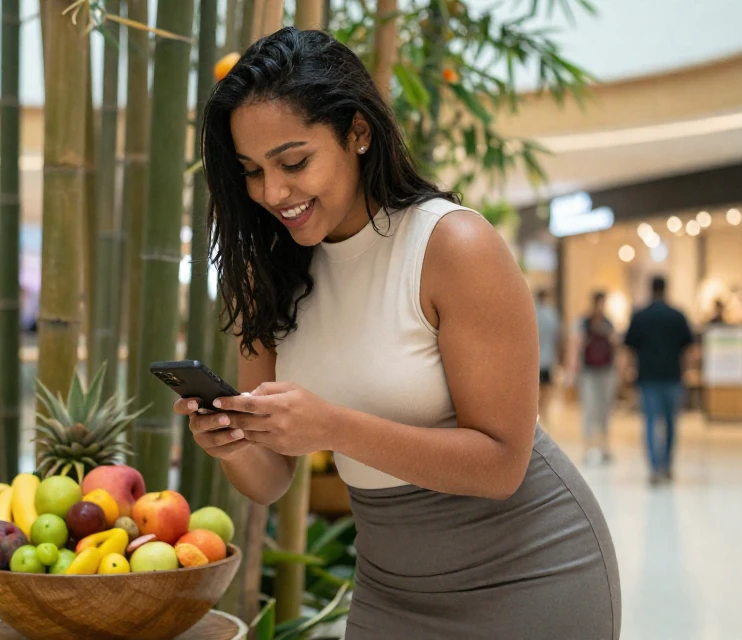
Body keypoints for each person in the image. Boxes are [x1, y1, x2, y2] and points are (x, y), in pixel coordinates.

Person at [176, 28, 620, 639]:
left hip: (529, 575)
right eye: (252, 171)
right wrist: (232, 441)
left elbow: (501, 465)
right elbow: (270, 478)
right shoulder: (267, 276)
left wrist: (332, 428)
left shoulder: (452, 246)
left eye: (294, 162)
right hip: (390, 588)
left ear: (357, 132)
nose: (273, 192)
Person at [624, 276, 695, 483]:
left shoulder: (640, 316)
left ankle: (655, 467)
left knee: (650, 422)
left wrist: (628, 373)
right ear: (666, 289)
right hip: (672, 376)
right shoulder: (677, 315)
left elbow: (629, 347)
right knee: (671, 422)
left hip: (647, 377)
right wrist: (687, 372)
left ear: (650, 289)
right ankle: (667, 465)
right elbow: (688, 348)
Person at [570, 291, 617, 463]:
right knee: (589, 408)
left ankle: (604, 445)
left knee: (604, 409)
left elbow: (615, 345)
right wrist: (573, 368)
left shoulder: (608, 323)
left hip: (606, 371)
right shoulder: (584, 323)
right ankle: (588, 446)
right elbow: (577, 345)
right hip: (589, 372)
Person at [534, 289, 561, 424]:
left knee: (536, 389)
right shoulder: (552, 315)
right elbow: (557, 338)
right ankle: (545, 414)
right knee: (547, 389)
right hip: (548, 358)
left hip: (535, 359)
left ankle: (537, 413)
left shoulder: (532, 314)